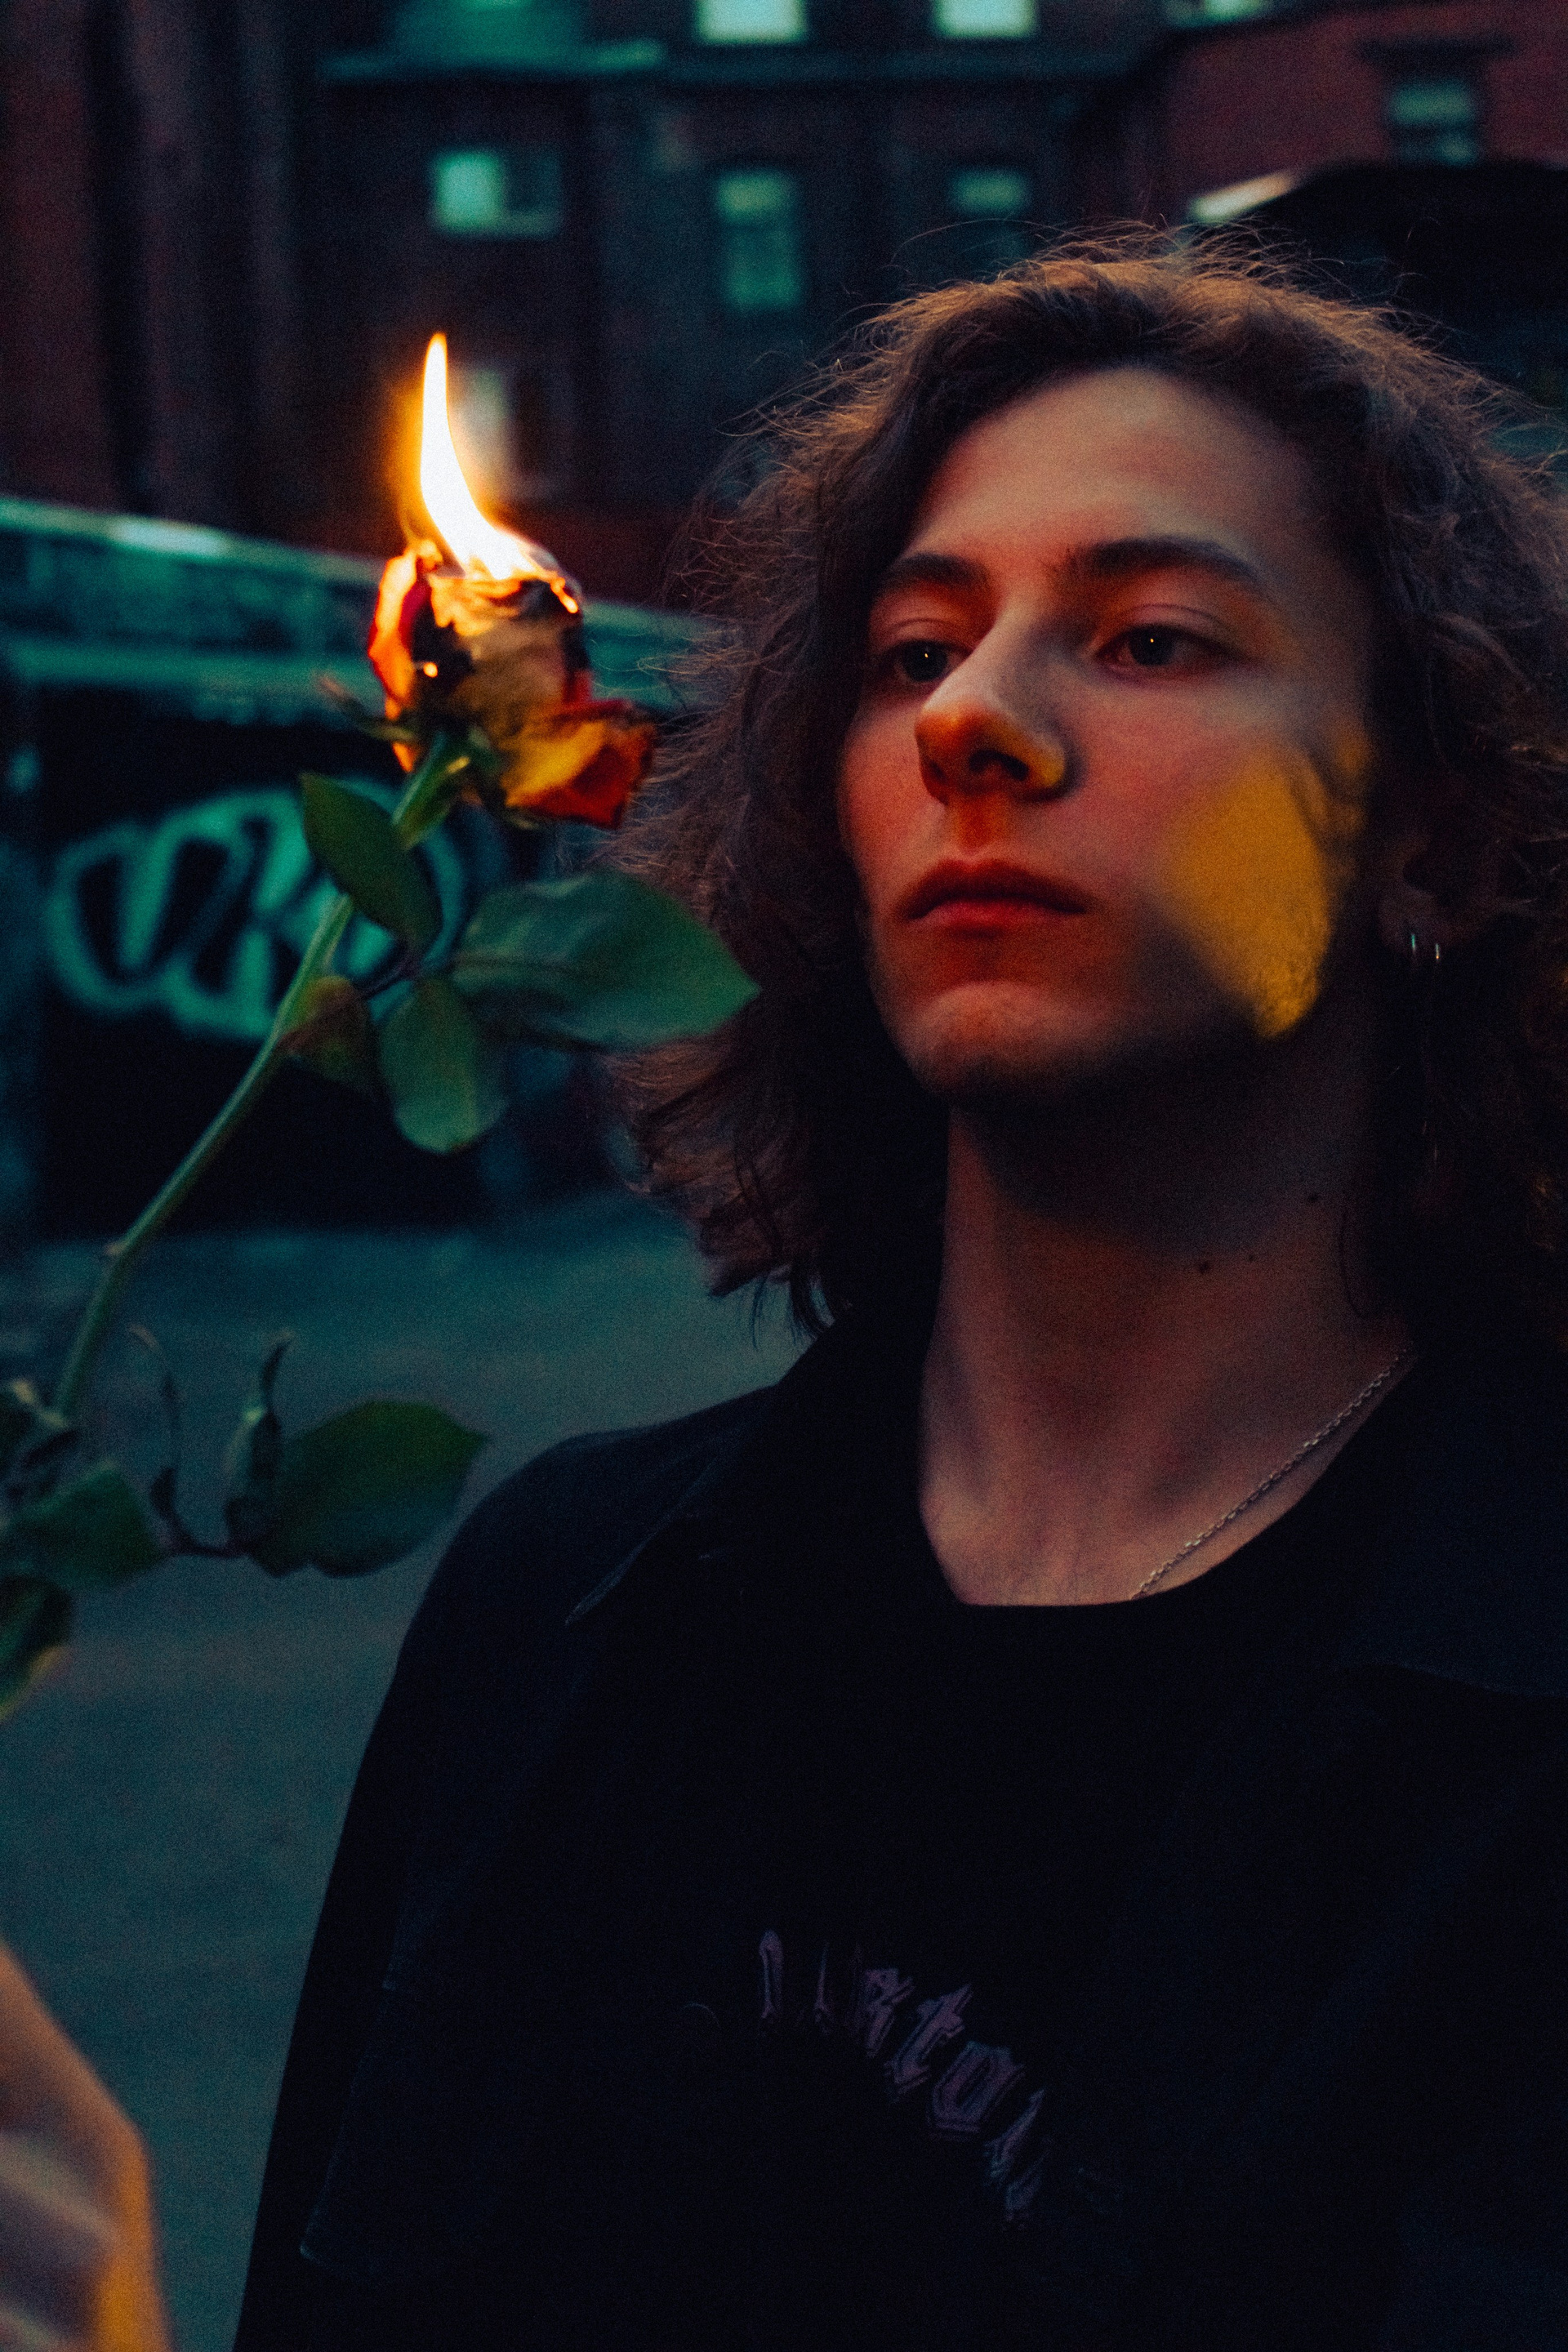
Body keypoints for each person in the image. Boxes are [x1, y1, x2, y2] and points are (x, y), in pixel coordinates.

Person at [7, 233, 1568, 2350]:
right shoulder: (563, 1605)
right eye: (915, 649)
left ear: (1438, 838)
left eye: (1151, 637)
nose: (977, 722)